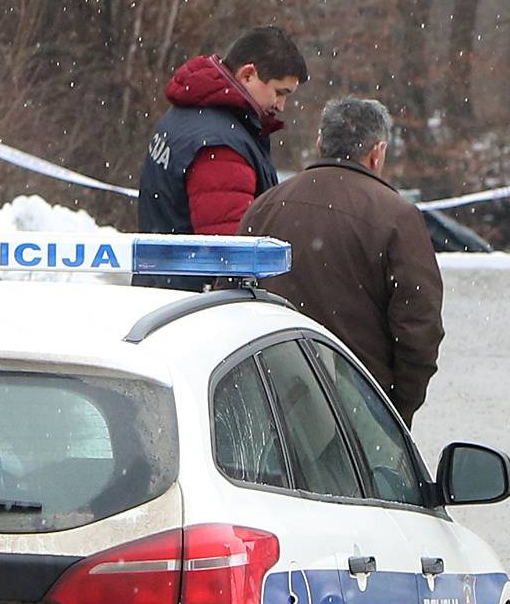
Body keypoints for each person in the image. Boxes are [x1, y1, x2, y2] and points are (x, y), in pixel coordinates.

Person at [239, 95, 444, 420]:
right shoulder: (397, 217)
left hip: (271, 401)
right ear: (377, 153)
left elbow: (233, 298)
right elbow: (419, 329)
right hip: (356, 411)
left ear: (320, 143)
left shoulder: (264, 207)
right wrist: (394, 410)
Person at [137, 25, 309, 237]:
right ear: (248, 75)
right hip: (189, 270)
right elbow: (228, 255)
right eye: (279, 92)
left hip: (164, 266)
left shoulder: (187, 111)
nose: (281, 105)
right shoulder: (222, 147)